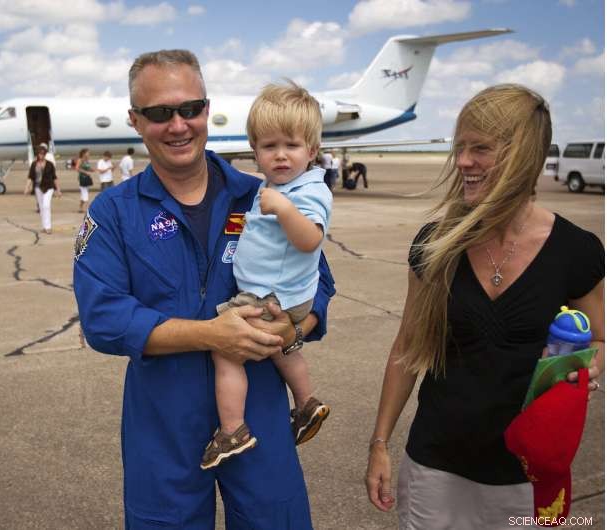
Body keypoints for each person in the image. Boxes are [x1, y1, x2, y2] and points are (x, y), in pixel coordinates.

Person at [74, 49, 336, 529]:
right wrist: (213, 336)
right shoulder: (113, 213)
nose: (178, 125)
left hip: (256, 410)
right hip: (163, 419)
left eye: (190, 109)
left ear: (206, 110)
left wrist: (295, 325)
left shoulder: (258, 195)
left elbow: (318, 276)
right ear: (135, 120)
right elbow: (103, 319)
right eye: (159, 113)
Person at [364, 84, 604, 530]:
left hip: (526, 474)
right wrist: (380, 443)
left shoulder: (577, 251)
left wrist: (586, 368)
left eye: (480, 149)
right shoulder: (435, 244)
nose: (462, 162)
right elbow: (407, 347)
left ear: (523, 155)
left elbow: (598, 337)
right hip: (435, 466)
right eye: (459, 149)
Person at [201, 81, 332, 470]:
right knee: (282, 346)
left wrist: (283, 209)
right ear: (255, 151)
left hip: (269, 294)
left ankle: (232, 430)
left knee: (224, 350)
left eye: (291, 146)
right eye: (269, 147)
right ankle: (306, 402)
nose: (280, 156)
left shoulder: (303, 192)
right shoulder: (280, 185)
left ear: (311, 150)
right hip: (285, 296)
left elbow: (311, 240)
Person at [23, 143, 61, 234]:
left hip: (49, 187)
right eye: (40, 153)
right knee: (41, 207)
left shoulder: (50, 164)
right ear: (37, 154)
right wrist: (26, 187)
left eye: (43, 153)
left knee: (46, 205)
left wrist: (58, 190)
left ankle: (48, 227)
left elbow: (54, 177)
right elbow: (31, 177)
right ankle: (44, 226)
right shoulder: (34, 164)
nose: (41, 155)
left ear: (45, 154)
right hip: (38, 188)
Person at [74, 148, 94, 213]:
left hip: (87, 179)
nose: (89, 154)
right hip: (82, 179)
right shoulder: (80, 160)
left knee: (84, 194)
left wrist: (92, 169)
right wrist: (85, 172)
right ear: (84, 153)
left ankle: (80, 207)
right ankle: (89, 208)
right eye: (87, 153)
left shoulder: (87, 161)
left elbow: (88, 168)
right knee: (85, 193)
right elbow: (77, 168)